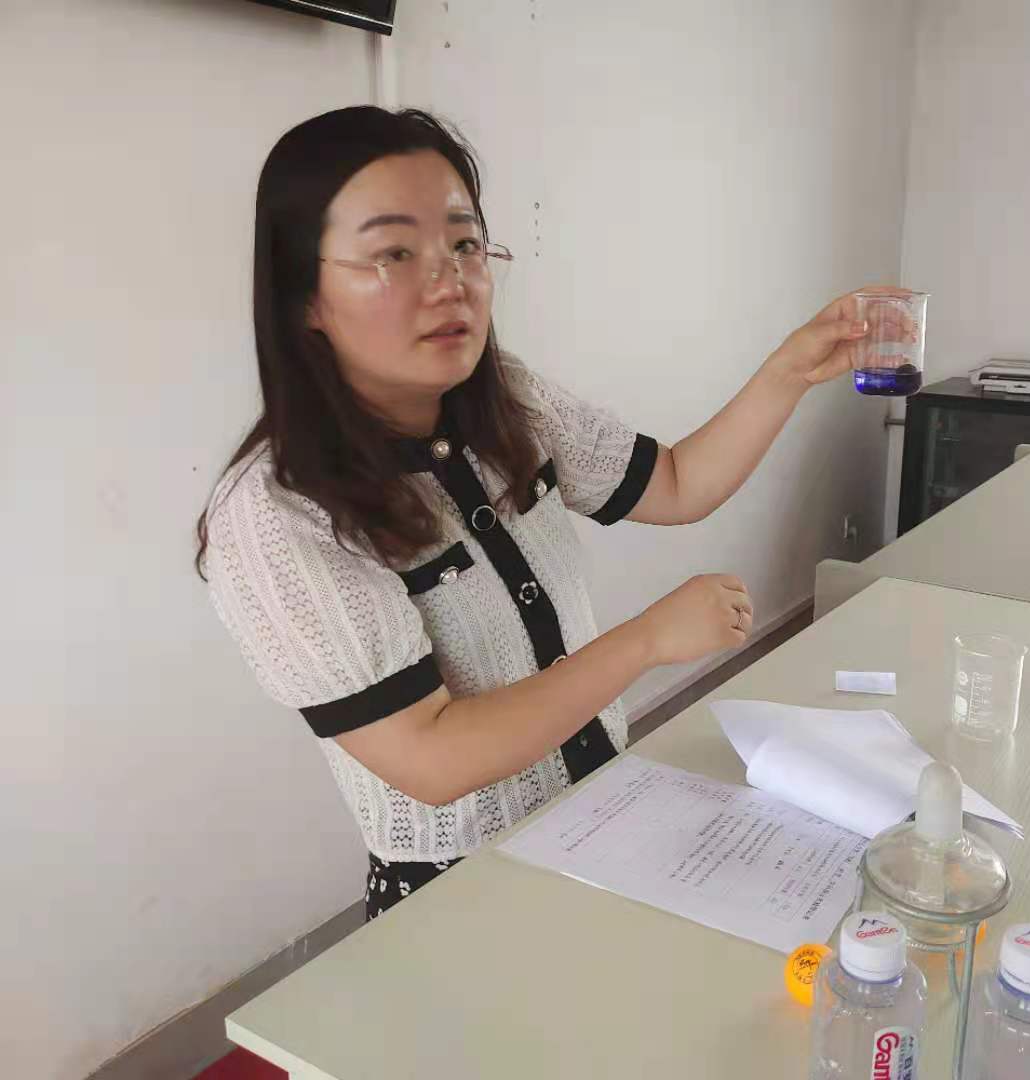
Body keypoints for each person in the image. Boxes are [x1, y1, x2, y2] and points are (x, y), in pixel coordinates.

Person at [198, 106, 877, 920]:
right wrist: (647, 640)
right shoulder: (275, 518)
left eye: (465, 244)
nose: (450, 282)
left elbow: (676, 481)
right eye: (394, 254)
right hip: (457, 899)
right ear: (303, 295)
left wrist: (790, 371)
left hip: (604, 822)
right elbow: (430, 757)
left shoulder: (507, 400)